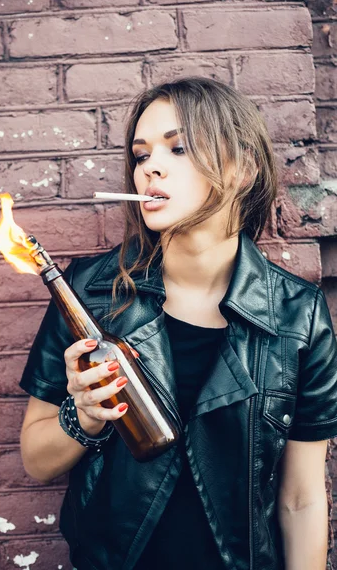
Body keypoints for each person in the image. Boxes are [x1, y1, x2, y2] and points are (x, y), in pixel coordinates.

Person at [19, 77, 337, 570]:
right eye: (141, 156)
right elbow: (36, 460)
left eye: (178, 148)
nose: (151, 168)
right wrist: (82, 415)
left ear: (242, 167)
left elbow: (302, 499)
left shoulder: (299, 313)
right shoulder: (86, 292)